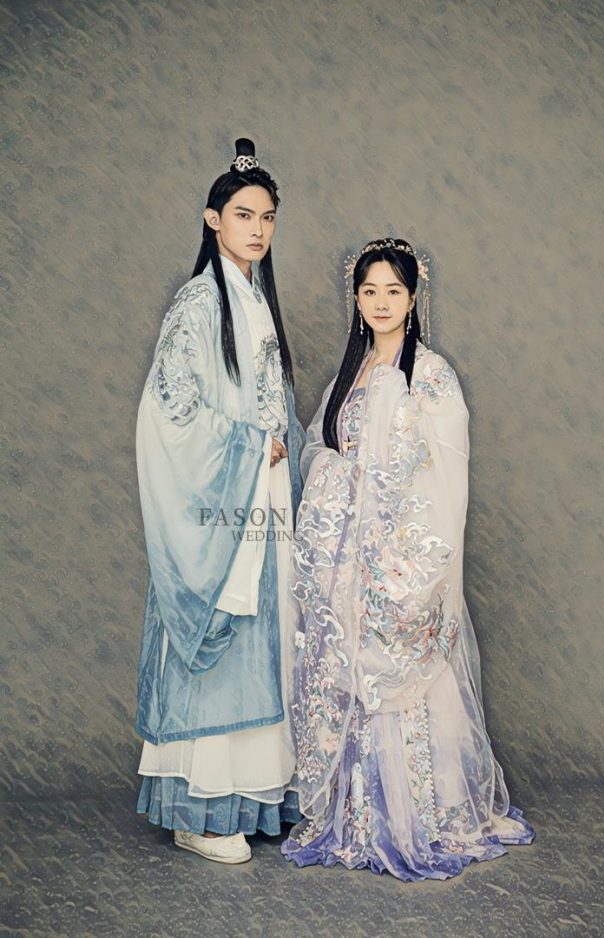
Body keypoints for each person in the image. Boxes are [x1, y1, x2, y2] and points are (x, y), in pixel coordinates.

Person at [281, 237, 535, 881]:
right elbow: (323, 448)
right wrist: (339, 489)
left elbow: (445, 475)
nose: (380, 303)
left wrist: (408, 554)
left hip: (402, 556)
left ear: (414, 298)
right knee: (350, 670)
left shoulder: (433, 376)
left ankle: (418, 816)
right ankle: (357, 816)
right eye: (369, 291)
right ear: (356, 299)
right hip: (351, 559)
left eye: (393, 291)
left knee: (405, 671)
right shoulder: (351, 374)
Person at [135, 138, 303, 864]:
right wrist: (249, 445)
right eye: (243, 215)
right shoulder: (201, 302)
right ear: (212, 219)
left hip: (260, 494)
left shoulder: (254, 299)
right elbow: (170, 409)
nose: (258, 230)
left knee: (266, 633)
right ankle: (199, 811)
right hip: (226, 495)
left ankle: (253, 798)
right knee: (221, 636)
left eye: (267, 217)